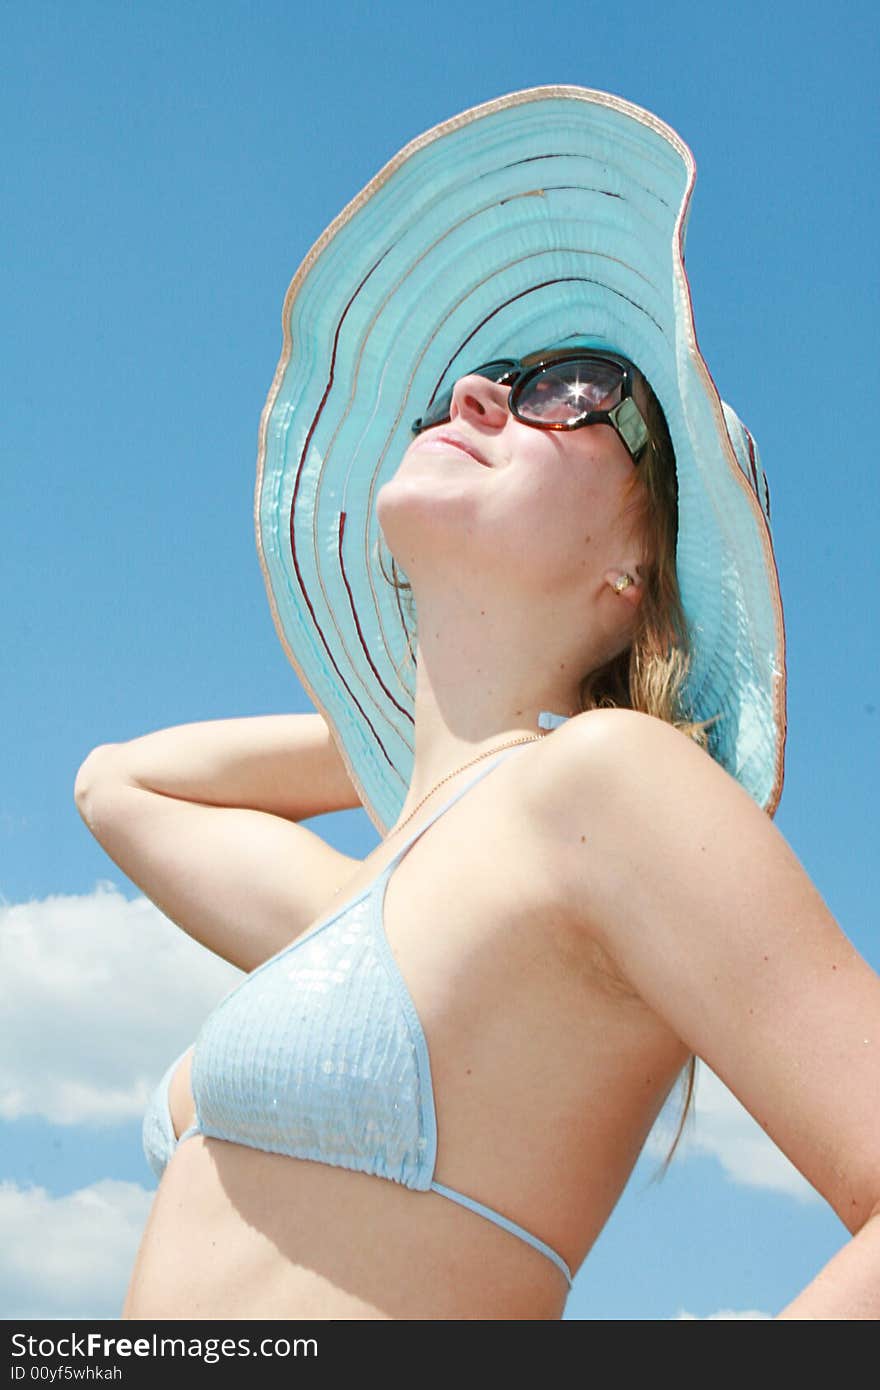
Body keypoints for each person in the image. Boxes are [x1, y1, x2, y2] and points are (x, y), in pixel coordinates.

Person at [74, 86, 880, 1320]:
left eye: (576, 388)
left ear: (638, 576)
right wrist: (429, 717)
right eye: (489, 373)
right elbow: (119, 785)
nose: (481, 394)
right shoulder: (384, 895)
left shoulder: (608, 786)